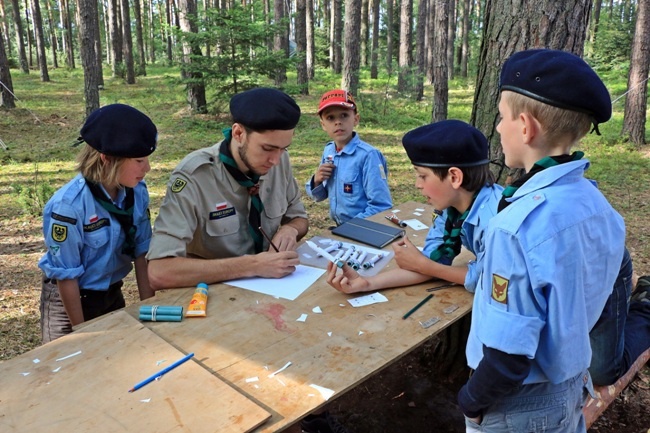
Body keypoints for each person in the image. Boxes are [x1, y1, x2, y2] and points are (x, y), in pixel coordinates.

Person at [457, 49, 626, 432]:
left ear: (526, 127)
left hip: (517, 403)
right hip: (570, 386)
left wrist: (470, 401)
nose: (498, 128)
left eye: (501, 117)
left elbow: (508, 356)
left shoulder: (515, 227)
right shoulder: (599, 207)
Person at [147, 87, 308, 290]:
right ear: (238, 133)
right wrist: (252, 266)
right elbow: (159, 272)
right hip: (211, 294)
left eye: (283, 149)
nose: (276, 160)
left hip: (274, 288)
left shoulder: (278, 160)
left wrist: (290, 229)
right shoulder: (194, 176)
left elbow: (299, 218)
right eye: (267, 149)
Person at [326, 119, 503, 295]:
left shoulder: (497, 222)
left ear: (455, 177)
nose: (417, 184)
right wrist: (366, 283)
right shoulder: (451, 210)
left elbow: (492, 282)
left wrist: (425, 266)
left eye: (422, 176)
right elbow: (430, 264)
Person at [38, 104, 157, 343]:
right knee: (70, 367)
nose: (148, 168)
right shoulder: (69, 206)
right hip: (69, 303)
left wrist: (149, 310)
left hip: (111, 293)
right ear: (107, 159)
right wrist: (82, 332)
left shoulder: (137, 192)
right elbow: (66, 276)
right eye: (139, 160)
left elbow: (142, 253)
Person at [305, 89, 392, 226]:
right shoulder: (329, 150)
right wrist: (316, 180)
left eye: (344, 115)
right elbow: (319, 196)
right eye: (330, 118)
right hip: (340, 228)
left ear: (356, 119)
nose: (338, 122)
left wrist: (349, 229)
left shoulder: (368, 156)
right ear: (323, 125)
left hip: (363, 228)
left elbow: (381, 206)